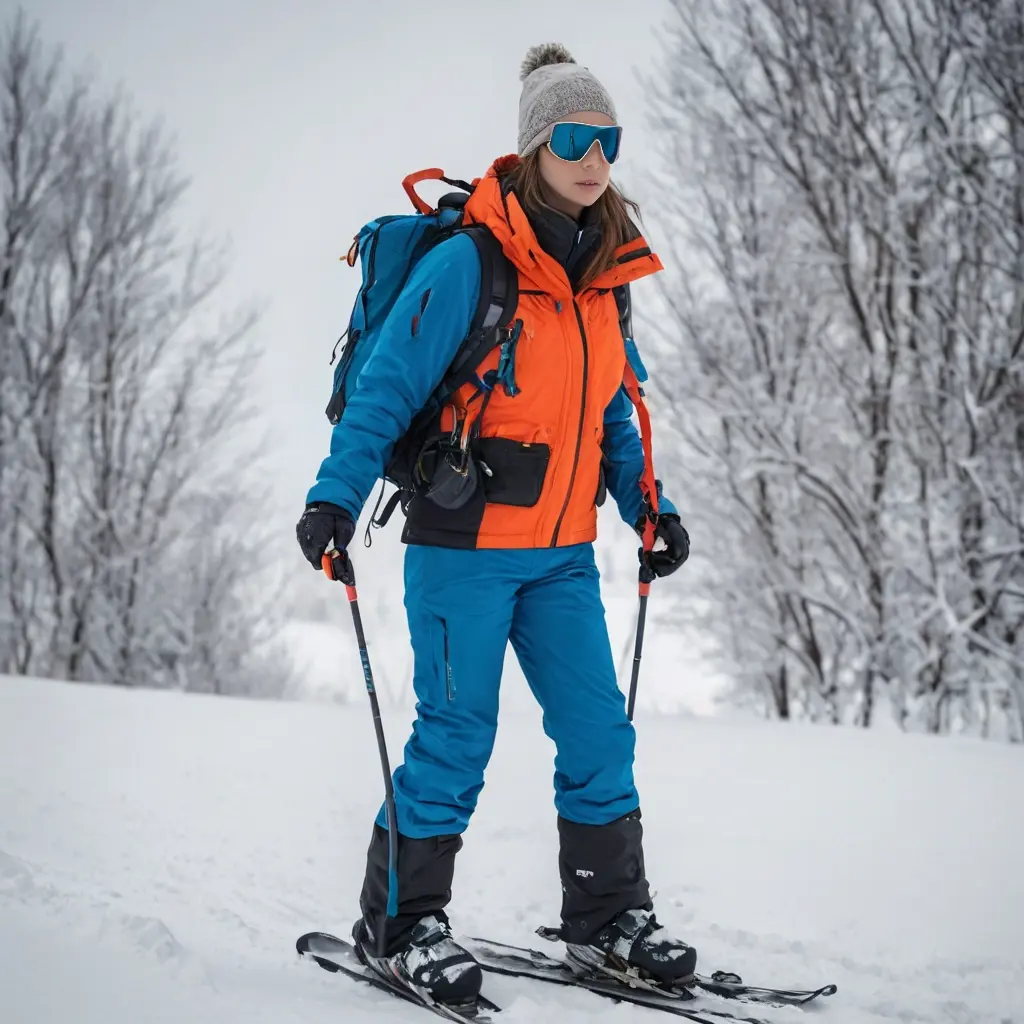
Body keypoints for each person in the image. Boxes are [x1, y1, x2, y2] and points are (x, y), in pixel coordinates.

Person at [295, 42, 694, 1010]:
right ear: (532, 146)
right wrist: (334, 498)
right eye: (572, 138)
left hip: (558, 562)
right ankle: (400, 922)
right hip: (463, 553)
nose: (593, 158)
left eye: (606, 139)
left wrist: (649, 506)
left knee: (600, 732)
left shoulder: (604, 281)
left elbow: (613, 411)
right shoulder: (469, 264)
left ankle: (607, 919)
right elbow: (385, 388)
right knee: (456, 736)